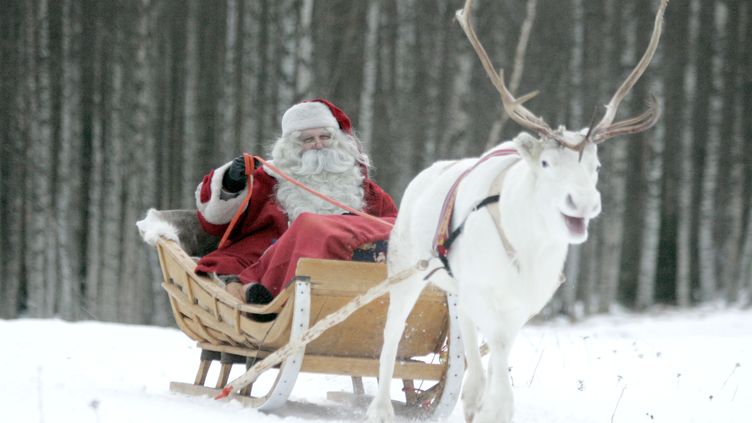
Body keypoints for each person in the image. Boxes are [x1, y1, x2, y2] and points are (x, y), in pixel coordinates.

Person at [193, 99, 397, 307]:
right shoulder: (268, 178)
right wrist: (230, 183)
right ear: (290, 147)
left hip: (349, 269)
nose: (318, 144)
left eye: (325, 137)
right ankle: (253, 291)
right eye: (308, 139)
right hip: (269, 259)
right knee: (309, 228)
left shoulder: (361, 186)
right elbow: (215, 222)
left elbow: (393, 227)